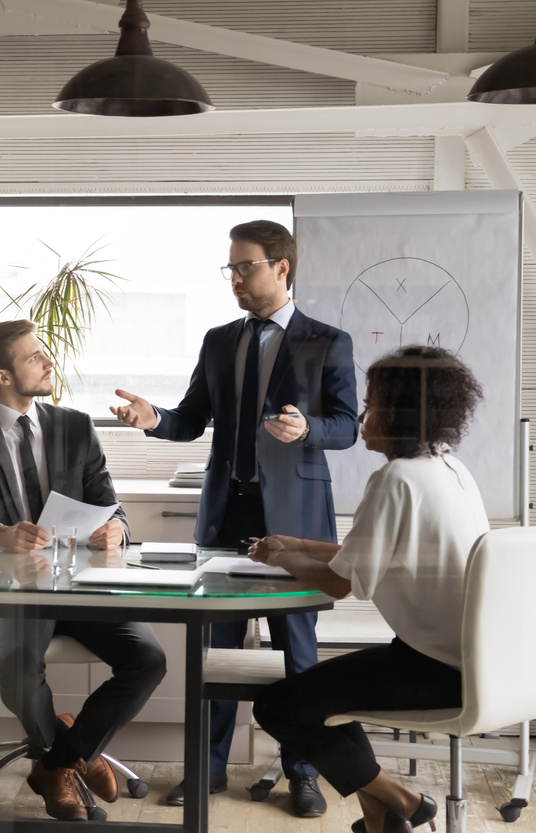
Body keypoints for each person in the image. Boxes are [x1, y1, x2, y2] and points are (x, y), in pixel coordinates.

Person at [111, 219, 357, 814]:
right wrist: (155, 420)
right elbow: (192, 418)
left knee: (298, 653)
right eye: (231, 268)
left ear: (282, 268)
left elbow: (349, 425)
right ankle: (209, 768)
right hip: (226, 515)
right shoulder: (220, 340)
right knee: (212, 649)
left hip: (295, 520)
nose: (236, 279)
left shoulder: (327, 339)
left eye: (246, 267)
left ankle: (303, 770)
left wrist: (309, 429)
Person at [0, 319, 167, 821]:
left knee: (148, 658)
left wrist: (116, 531)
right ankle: (68, 756)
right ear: (3, 377)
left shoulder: (74, 426)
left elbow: (110, 504)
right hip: (8, 592)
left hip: (78, 589)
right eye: (35, 356)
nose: (49, 361)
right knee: (19, 662)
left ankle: (58, 759)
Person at [248, 345, 489, 833]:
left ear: (401, 412)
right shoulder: (449, 470)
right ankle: (378, 814)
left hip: (434, 667)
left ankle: (399, 796)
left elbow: (341, 582)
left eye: (373, 403)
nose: (362, 415)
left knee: (280, 705)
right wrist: (295, 543)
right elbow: (364, 552)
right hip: (471, 658)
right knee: (327, 697)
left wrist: (280, 557)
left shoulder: (395, 479)